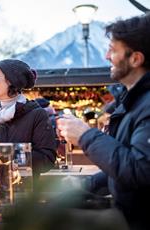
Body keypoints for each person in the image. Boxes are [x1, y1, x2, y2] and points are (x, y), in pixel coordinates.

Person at [57, 13, 150, 229]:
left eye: (113, 50)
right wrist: (86, 183)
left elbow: (139, 170)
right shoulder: (133, 102)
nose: (107, 56)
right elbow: (125, 160)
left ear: (135, 59)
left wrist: (85, 136)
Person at [0, 59, 57, 187]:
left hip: (22, 197)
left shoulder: (36, 115)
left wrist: (9, 153)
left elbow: (47, 160)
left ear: (11, 80)